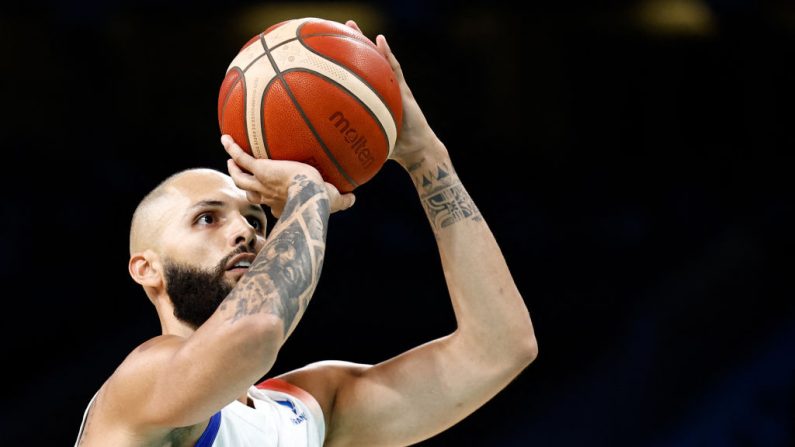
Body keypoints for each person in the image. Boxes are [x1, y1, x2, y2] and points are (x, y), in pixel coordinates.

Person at [74, 20, 538, 447]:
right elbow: (256, 332)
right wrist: (308, 193)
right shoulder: (141, 384)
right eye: (207, 218)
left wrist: (426, 158)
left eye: (257, 221)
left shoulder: (306, 408)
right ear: (146, 269)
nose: (244, 232)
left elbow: (501, 349)